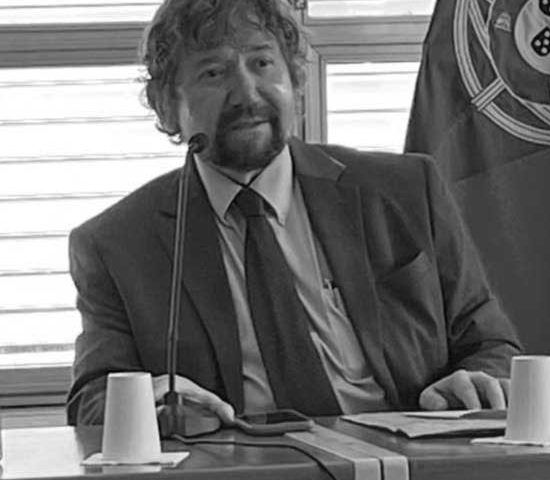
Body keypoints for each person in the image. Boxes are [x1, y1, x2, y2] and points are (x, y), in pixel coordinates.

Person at [66, 0, 522, 426]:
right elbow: (92, 398)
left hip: (405, 457)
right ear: (168, 107)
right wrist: (145, 401)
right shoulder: (117, 245)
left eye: (262, 63)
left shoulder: (406, 190)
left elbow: (489, 342)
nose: (246, 93)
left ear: (295, 81)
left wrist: (476, 379)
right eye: (213, 73)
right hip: (239, 464)